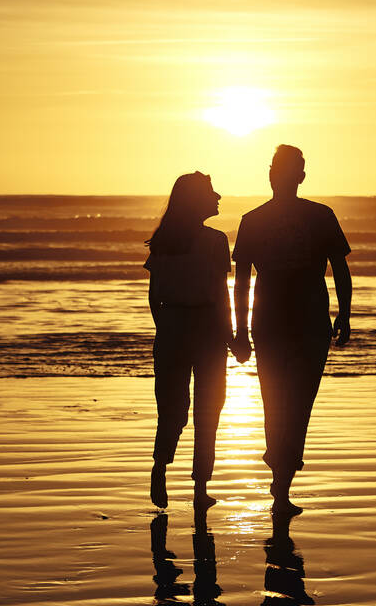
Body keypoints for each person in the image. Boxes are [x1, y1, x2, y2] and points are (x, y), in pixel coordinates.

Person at [231, 145, 352, 515]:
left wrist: (239, 331)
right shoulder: (314, 216)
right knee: (293, 404)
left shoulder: (260, 219)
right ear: (297, 175)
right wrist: (344, 314)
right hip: (290, 321)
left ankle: (280, 479)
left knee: (282, 402)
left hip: (287, 321)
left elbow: (240, 284)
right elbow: (240, 282)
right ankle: (282, 483)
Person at [144, 171, 233, 509]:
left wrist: (166, 328)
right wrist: (233, 336)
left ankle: (160, 467)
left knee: (172, 408)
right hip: (207, 327)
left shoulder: (164, 241)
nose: (218, 196)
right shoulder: (215, 240)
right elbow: (219, 295)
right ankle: (199, 488)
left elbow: (154, 297)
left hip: (172, 327)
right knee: (208, 410)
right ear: (196, 200)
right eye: (211, 191)